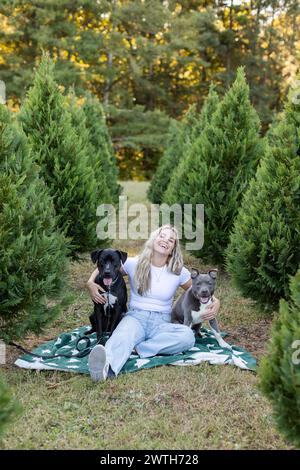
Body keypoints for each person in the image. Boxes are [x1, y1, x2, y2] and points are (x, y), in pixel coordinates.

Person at [86, 225, 220, 381]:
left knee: (187, 336)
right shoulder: (134, 263)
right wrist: (90, 283)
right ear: (154, 239)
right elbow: (106, 263)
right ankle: (105, 367)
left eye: (171, 240)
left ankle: (139, 348)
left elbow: (198, 288)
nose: (166, 241)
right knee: (121, 336)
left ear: (173, 248)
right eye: (162, 236)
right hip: (136, 317)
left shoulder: (178, 271)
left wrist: (216, 302)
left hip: (162, 321)